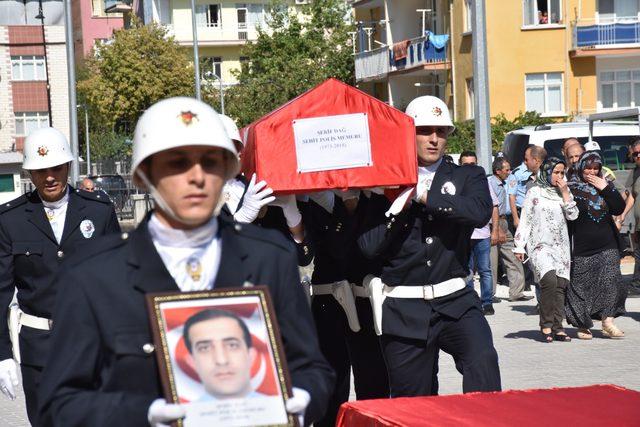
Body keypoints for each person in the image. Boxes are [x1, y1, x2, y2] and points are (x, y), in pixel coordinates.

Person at [37, 98, 334, 427]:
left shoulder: (270, 257)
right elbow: (59, 403)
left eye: (210, 162)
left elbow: (312, 369)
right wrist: (142, 415)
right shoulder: (93, 276)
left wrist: (302, 399)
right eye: (177, 163)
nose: (197, 177)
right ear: (144, 175)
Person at [358, 95, 501, 397]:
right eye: (424, 130)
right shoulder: (383, 182)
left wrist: (425, 196)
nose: (434, 139)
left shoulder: (467, 174)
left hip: (457, 302)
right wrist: (396, 207)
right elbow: (369, 247)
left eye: (441, 131)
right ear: (406, 132)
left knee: (483, 362)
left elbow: (477, 213)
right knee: (414, 401)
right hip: (403, 308)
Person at [0, 127, 120, 424]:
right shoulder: (10, 221)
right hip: (39, 350)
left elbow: (119, 282)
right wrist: (1, 353)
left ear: (68, 167)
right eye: (40, 170)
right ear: (29, 173)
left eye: (56, 167)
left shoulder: (99, 212)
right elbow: (1, 292)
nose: (49, 176)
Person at [304, 190, 389, 426]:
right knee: (332, 383)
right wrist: (341, 208)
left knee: (373, 382)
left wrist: (355, 204)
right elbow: (331, 248)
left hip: (366, 300)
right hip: (330, 300)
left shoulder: (376, 198)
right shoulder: (313, 200)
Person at [513, 157, 578, 342]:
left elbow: (573, 216)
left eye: (562, 172)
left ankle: (558, 327)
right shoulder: (535, 191)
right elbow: (525, 219)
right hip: (539, 244)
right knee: (548, 280)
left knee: (560, 285)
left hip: (561, 245)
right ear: (547, 172)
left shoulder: (564, 192)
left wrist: (565, 192)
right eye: (556, 172)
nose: (559, 176)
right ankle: (546, 324)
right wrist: (519, 245)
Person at [566, 151, 627, 339]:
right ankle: (582, 324)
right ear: (580, 168)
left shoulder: (605, 184)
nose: (592, 172)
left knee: (612, 280)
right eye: (588, 168)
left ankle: (607, 321)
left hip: (607, 242)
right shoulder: (570, 188)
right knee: (581, 286)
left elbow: (618, 208)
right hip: (582, 245)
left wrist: (606, 188)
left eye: (595, 168)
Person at [183, 309, 262, 401]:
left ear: (251, 356)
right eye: (205, 348)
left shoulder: (278, 408)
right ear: (192, 362)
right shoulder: (182, 414)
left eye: (232, 345)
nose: (221, 360)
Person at [459, 151, 500, 315]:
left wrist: (495, 230)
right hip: (464, 235)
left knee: (485, 270)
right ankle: (471, 301)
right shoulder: (456, 183)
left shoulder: (484, 182)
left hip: (482, 234)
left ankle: (487, 302)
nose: (469, 168)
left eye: (473, 164)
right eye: (466, 164)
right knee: (466, 270)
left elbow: (494, 207)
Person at [508, 145, 545, 301]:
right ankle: (541, 301)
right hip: (530, 225)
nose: (525, 162)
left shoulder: (550, 178)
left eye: (527, 159)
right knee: (535, 264)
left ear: (535, 161)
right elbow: (514, 197)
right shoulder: (527, 177)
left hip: (546, 229)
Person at [489, 157, 527, 302]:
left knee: (513, 256)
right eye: (506, 170)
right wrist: (496, 228)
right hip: (494, 224)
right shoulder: (490, 184)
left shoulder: (505, 182)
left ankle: (517, 292)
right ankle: (489, 294)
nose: (509, 172)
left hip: (504, 222)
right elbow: (493, 207)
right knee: (491, 261)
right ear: (498, 171)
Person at [621, 137, 640, 296]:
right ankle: (636, 285)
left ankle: (636, 285)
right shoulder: (636, 172)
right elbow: (631, 195)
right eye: (635, 154)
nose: (638, 156)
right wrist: (621, 215)